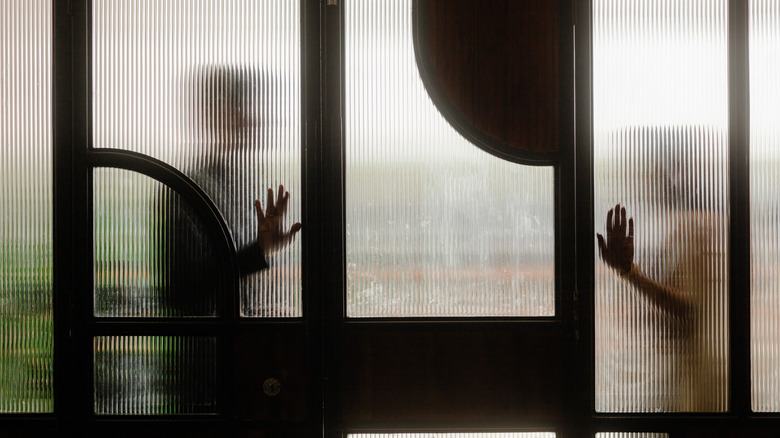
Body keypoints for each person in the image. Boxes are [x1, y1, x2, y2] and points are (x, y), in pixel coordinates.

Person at [161, 64, 302, 317]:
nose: (250, 118)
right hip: (212, 351)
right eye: (238, 107)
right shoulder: (189, 189)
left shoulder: (242, 182)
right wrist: (258, 252)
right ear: (209, 114)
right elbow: (181, 291)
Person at [596, 188, 724, 410]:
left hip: (709, 388)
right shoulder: (702, 231)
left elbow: (693, 310)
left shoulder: (701, 230)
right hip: (694, 382)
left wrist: (630, 273)